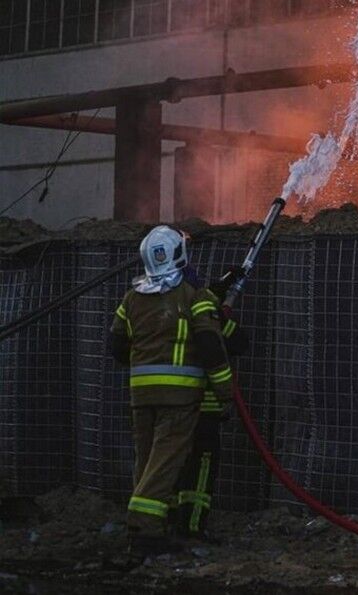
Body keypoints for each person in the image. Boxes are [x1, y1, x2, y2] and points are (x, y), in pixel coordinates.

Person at [109, 226, 234, 556]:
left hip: (141, 396)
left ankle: (153, 524)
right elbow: (210, 347)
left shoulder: (131, 298)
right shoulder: (193, 296)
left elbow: (116, 346)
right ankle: (144, 528)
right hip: (179, 398)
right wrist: (225, 392)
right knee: (165, 462)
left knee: (147, 461)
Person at [172, 264, 249, 542]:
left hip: (170, 407)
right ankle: (192, 527)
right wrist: (218, 313)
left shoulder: (159, 311)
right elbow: (237, 341)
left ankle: (168, 523)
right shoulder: (204, 313)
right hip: (203, 408)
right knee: (201, 469)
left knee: (171, 466)